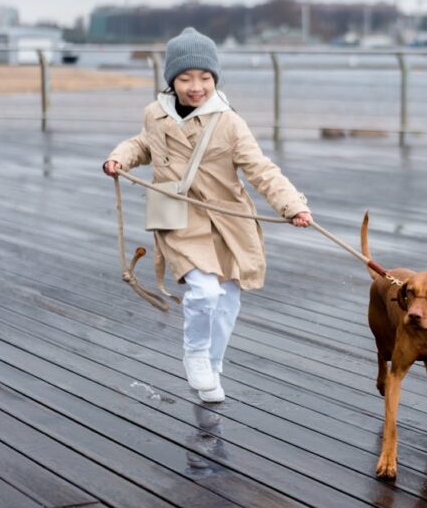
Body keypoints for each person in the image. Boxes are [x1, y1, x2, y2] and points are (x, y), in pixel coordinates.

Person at [103, 27, 312, 403]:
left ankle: (213, 365)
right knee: (203, 290)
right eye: (185, 78)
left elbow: (261, 169)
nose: (195, 86)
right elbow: (142, 144)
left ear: (215, 78)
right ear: (172, 80)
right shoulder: (155, 115)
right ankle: (196, 354)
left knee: (228, 298)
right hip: (177, 215)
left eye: (204, 77)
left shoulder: (230, 123)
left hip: (228, 218)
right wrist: (120, 156)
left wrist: (292, 205)